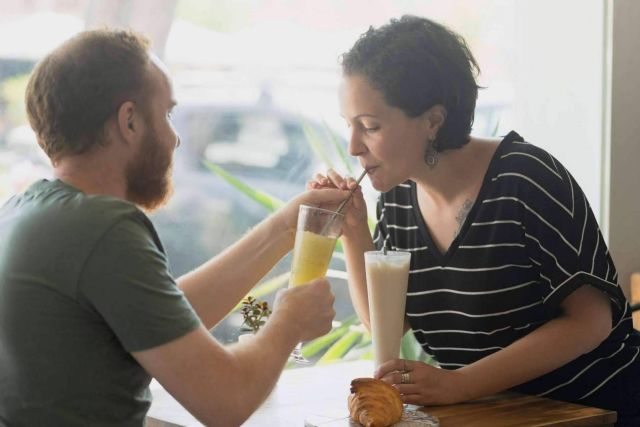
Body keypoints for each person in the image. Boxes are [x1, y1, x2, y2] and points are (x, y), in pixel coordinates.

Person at [0, 29, 356, 426]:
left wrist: (285, 228)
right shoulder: (103, 229)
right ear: (129, 121)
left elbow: (163, 316)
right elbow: (226, 401)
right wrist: (288, 322)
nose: (175, 138)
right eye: (167, 114)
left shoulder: (27, 212)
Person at [310, 15, 640, 426]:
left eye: (370, 126)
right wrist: (354, 229)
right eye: (349, 126)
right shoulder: (397, 197)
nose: (354, 146)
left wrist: (460, 384)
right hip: (496, 414)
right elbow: (386, 324)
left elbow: (592, 321)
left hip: (597, 411)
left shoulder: (526, 179)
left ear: (433, 120)